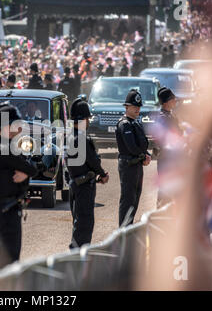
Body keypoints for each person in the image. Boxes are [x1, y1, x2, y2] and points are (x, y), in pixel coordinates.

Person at [0, 102, 38, 270]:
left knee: (10, 253)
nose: (20, 127)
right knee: (9, 255)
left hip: (9, 206)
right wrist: (27, 172)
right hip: (7, 207)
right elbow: (32, 168)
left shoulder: (6, 147)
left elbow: (29, 169)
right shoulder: (3, 149)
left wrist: (25, 174)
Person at [66, 98, 109, 249]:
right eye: (87, 118)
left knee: (78, 222)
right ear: (83, 119)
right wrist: (102, 174)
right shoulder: (82, 138)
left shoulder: (70, 136)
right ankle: (77, 257)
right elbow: (93, 161)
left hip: (75, 183)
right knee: (84, 224)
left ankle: (76, 254)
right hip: (84, 187)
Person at [115, 89, 151, 226]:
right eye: (134, 106)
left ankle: (128, 229)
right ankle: (123, 231)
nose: (137, 109)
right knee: (128, 200)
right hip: (128, 165)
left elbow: (144, 143)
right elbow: (132, 147)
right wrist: (143, 156)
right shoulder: (124, 124)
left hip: (137, 165)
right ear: (127, 107)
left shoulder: (136, 123)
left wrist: (146, 154)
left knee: (135, 199)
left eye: (139, 107)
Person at [155, 87, 182, 208]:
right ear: (166, 102)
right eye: (173, 99)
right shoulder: (163, 118)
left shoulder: (170, 116)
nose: (175, 101)